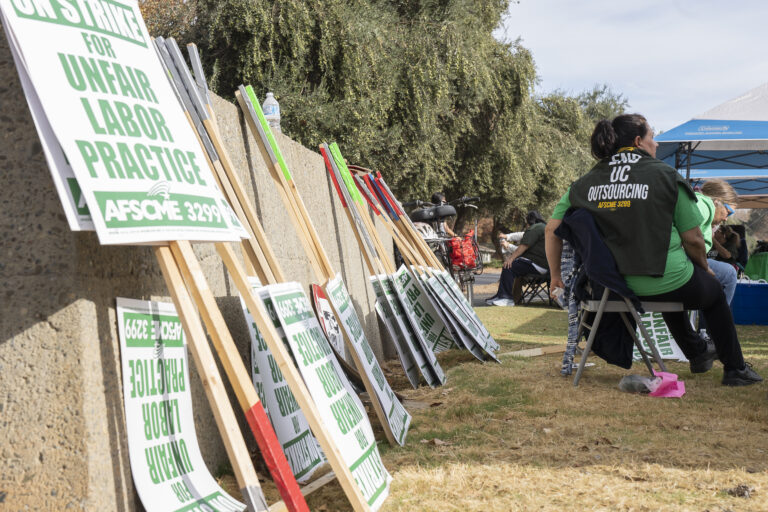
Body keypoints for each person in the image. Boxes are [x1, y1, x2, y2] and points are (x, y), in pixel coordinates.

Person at [544, 113, 761, 386]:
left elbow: (551, 230)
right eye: (653, 138)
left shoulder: (585, 182)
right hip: (662, 277)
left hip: (610, 284)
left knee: (677, 280)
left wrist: (555, 276)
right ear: (638, 141)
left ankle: (697, 353)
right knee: (712, 290)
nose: (656, 144)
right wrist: (705, 268)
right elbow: (694, 239)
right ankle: (736, 370)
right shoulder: (665, 176)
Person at [486, 210, 549, 306]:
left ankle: (506, 298)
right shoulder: (542, 227)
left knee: (509, 266)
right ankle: (500, 295)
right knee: (514, 265)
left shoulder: (535, 228)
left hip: (539, 265)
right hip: (543, 265)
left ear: (528, 221)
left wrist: (510, 258)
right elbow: (522, 236)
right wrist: (508, 237)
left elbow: (523, 246)